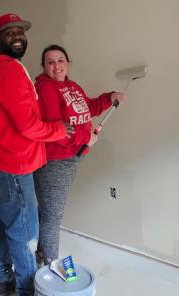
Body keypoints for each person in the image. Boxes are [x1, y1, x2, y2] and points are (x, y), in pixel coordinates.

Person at [0, 17, 73, 296]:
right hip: (15, 166)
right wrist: (59, 130)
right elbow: (29, 125)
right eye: (10, 33)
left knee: (2, 222)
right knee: (25, 234)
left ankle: (0, 281)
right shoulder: (9, 71)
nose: (17, 36)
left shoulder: (2, 67)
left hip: (2, 162)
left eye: (20, 32)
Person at [34, 44, 125, 265]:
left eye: (61, 60)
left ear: (68, 63)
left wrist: (109, 97)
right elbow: (54, 129)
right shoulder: (46, 88)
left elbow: (88, 108)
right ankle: (50, 265)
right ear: (44, 66)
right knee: (52, 216)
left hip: (73, 157)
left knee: (48, 211)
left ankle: (39, 252)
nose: (57, 66)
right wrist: (85, 139)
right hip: (55, 161)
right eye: (50, 62)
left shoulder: (71, 86)